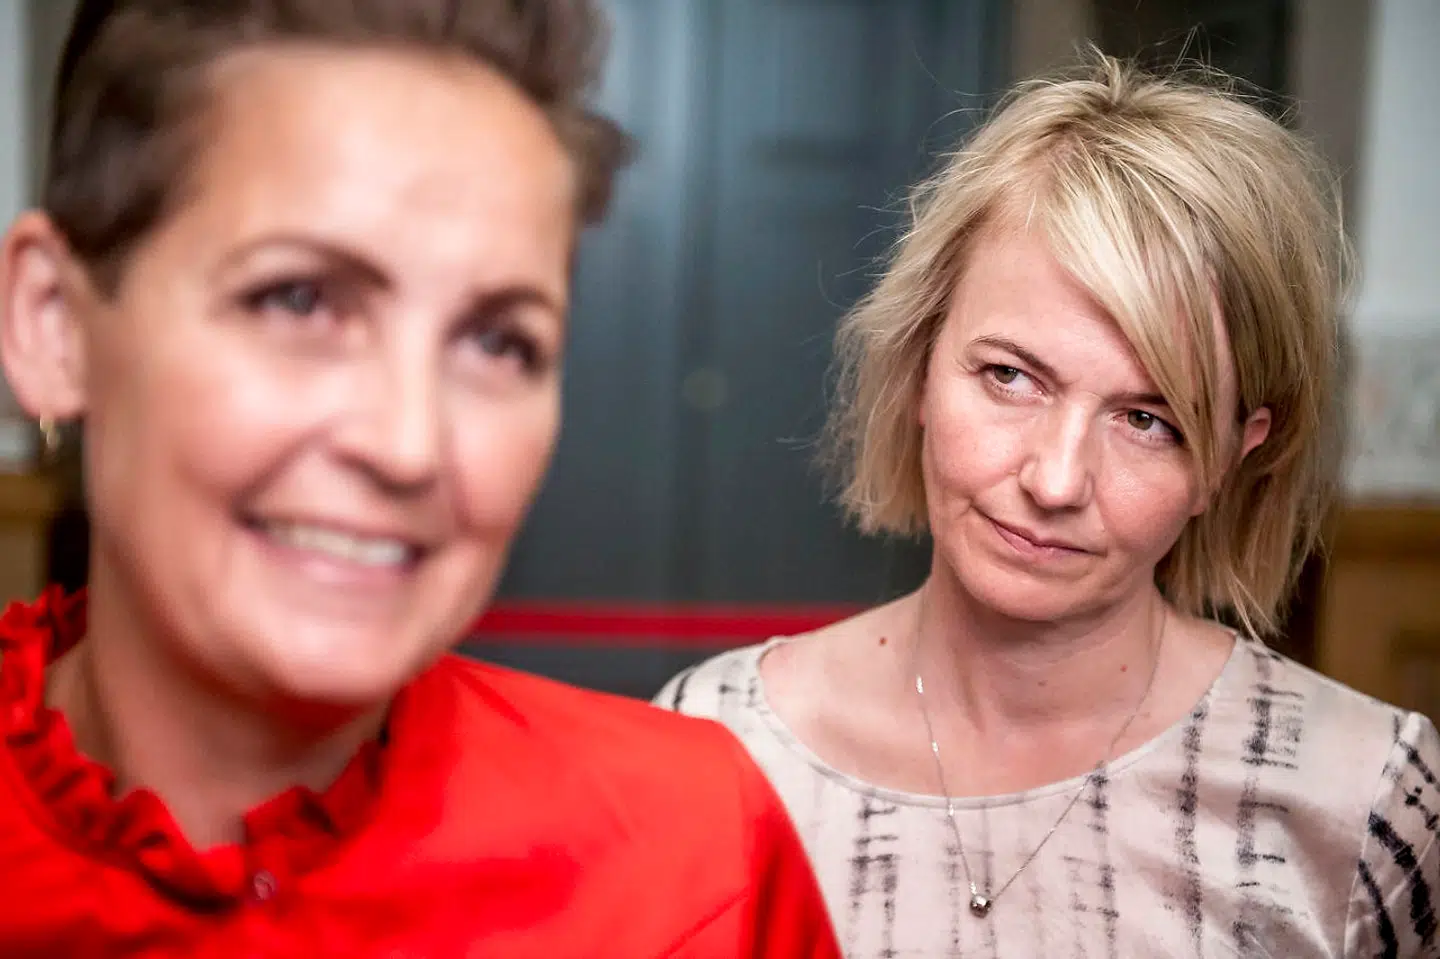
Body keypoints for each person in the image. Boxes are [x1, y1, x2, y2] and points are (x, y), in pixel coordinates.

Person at [0, 1, 841, 955]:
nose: (409, 445)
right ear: (55, 325)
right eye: (299, 299)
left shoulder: (692, 863)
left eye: (498, 342)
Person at [659, 54, 1440, 958]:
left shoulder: (1366, 801)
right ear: (920, 366)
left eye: (1147, 420)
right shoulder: (717, 743)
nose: (1057, 480)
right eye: (1010, 376)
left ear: (1230, 456)